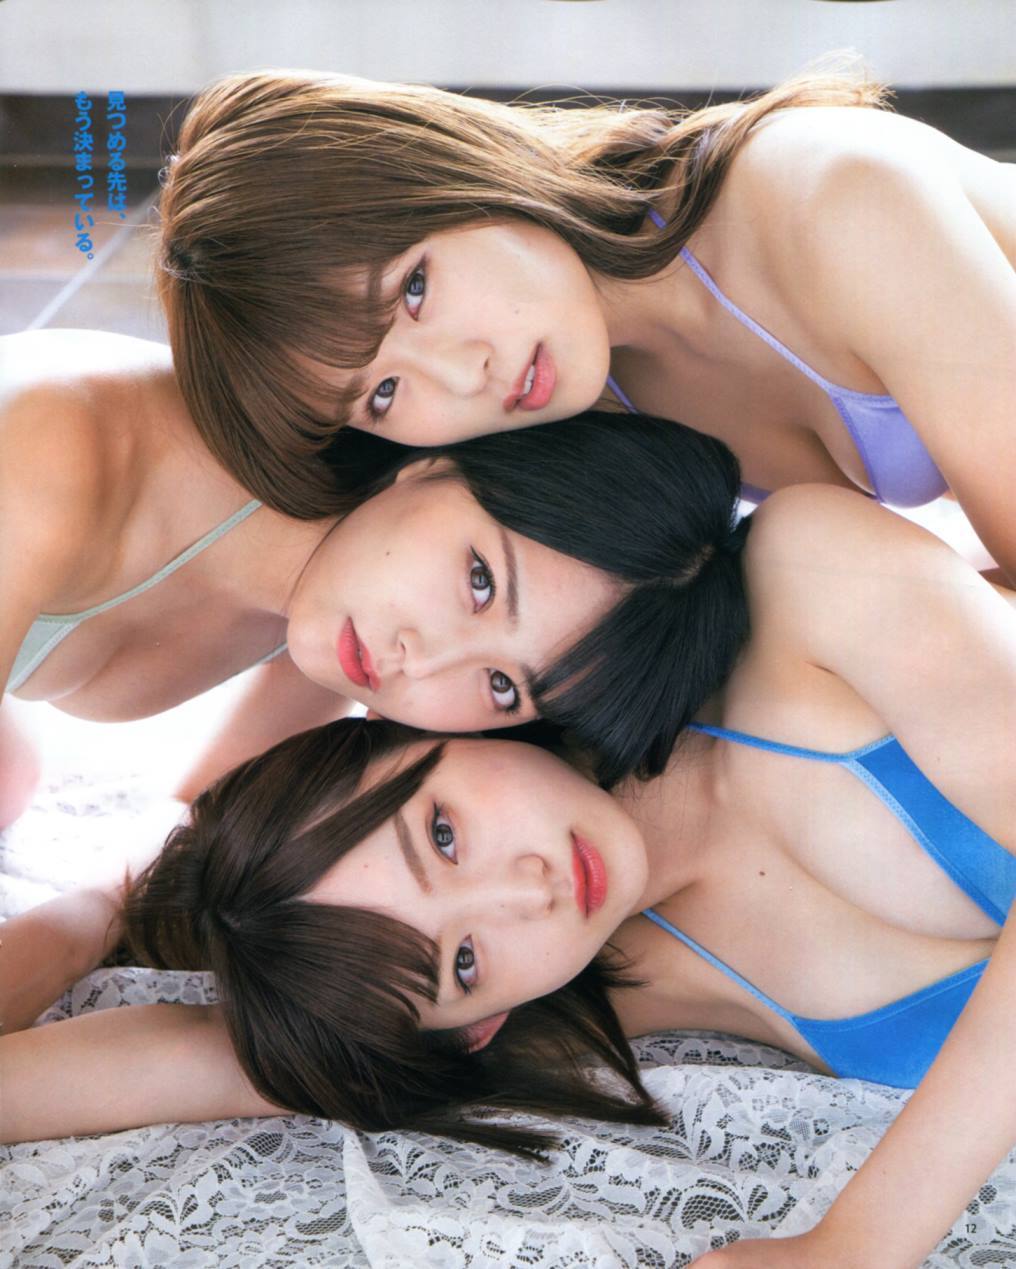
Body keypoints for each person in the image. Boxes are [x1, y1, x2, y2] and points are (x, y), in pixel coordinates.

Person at [2, 481, 1014, 1266]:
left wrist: (858, 1243)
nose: (528, 890)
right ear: (475, 1026)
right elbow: (196, 1064)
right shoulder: (614, 981)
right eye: (464, 961)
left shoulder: (801, 587)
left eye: (442, 835)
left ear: (408, 732)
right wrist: (90, 915)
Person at [157, 65, 1016, 579]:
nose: (463, 375)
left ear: (453, 170)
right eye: (382, 393)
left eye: (414, 289)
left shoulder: (834, 201)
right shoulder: (587, 395)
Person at [0, 341, 745, 821]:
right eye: (481, 582)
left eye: (503, 685)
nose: (424, 660)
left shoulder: (331, 618)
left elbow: (196, 810)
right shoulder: (56, 457)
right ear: (438, 464)